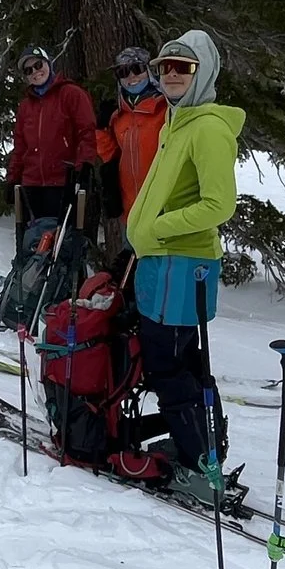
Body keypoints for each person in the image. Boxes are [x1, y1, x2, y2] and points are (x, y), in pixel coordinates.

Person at [122, 31, 242, 479]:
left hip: (181, 265)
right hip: (164, 265)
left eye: (183, 67)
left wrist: (156, 230)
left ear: (202, 72)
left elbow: (219, 204)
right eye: (165, 67)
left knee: (168, 366)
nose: (171, 74)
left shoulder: (208, 127)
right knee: (176, 362)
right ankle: (199, 444)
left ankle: (197, 462)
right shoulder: (179, 121)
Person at [5, 43, 97, 243]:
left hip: (63, 181)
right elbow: (20, 146)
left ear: (48, 63)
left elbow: (87, 132)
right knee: (35, 240)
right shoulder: (26, 106)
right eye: (28, 70)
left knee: (63, 241)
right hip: (32, 184)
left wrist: (85, 164)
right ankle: (33, 273)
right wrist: (13, 177)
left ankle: (71, 274)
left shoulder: (71, 94)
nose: (35, 72)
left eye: (38, 65)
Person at [90, 44, 167, 258]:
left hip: (163, 211)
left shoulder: (166, 109)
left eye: (137, 69)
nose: (131, 77)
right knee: (133, 275)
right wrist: (101, 130)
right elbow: (111, 156)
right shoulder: (119, 116)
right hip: (131, 211)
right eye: (123, 72)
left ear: (149, 71)